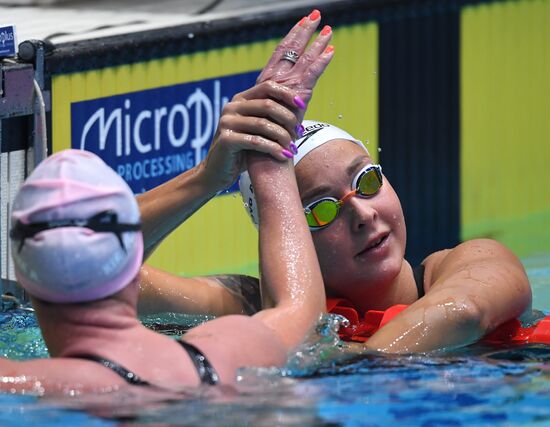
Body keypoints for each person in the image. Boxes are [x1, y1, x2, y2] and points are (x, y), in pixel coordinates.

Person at [136, 9, 532, 354]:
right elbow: (94, 280)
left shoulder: (468, 261)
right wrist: (204, 180)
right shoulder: (251, 306)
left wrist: (332, 362)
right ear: (288, 235)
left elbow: (463, 314)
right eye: (323, 209)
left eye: (367, 180)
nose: (361, 212)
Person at [2, 147, 325, 394]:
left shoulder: (19, 384)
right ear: (136, 259)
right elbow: (303, 312)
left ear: (21, 273)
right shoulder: (234, 349)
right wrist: (271, 150)